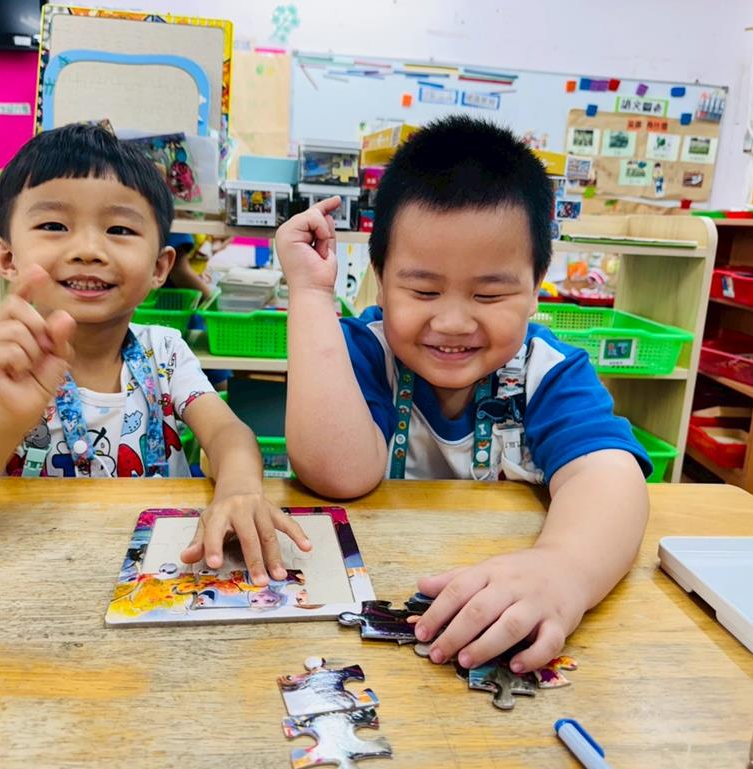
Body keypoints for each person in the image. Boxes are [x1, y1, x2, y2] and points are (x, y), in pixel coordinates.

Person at [277, 115, 650, 674]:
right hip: (366, 622)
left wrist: (565, 570)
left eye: (490, 294)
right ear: (380, 277)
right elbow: (340, 474)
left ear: (535, 289)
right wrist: (310, 294)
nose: (452, 322)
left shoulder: (548, 372)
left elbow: (610, 477)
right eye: (423, 290)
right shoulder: (364, 353)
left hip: (504, 611)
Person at [0, 123, 309, 584]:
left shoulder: (165, 352)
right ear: (6, 257)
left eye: (119, 229)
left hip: (162, 575)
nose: (88, 250)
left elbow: (227, 434)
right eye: (54, 226)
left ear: (160, 267)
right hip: (33, 580)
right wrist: (5, 417)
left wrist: (238, 490)